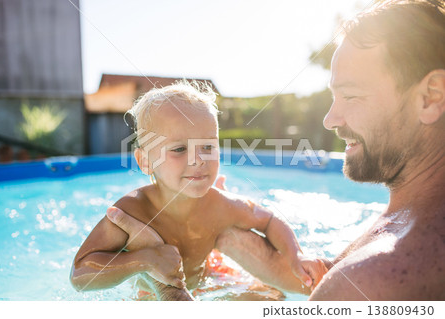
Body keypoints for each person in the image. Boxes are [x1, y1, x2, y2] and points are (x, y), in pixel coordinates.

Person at [106, 0, 445, 300]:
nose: (330, 119)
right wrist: (226, 233)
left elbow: (346, 284)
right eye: (333, 97)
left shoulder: (372, 280)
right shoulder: (400, 226)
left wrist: (168, 287)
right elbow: (328, 276)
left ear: (430, 96)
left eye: (352, 96)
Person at [70, 81, 327, 300]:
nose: (198, 160)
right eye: (179, 149)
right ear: (145, 161)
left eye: (207, 147)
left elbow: (270, 220)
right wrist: (143, 260)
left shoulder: (220, 205)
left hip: (208, 282)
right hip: (150, 297)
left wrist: (296, 256)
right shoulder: (132, 212)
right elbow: (80, 274)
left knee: (275, 299)